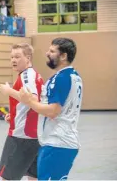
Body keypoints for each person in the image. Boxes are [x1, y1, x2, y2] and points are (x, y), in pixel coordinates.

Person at [19, 38, 83, 180]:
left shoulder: (61, 78)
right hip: (64, 142)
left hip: (56, 142)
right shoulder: (74, 76)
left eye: (52, 51)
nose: (47, 53)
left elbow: (53, 111)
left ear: (63, 56)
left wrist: (29, 101)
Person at [0, 43, 44, 180]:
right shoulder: (34, 75)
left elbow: (33, 99)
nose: (13, 60)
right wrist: (15, 116)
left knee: (8, 178)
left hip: (21, 137)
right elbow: (32, 104)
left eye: (17, 56)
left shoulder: (26, 76)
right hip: (35, 136)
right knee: (33, 177)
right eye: (11, 57)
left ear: (28, 58)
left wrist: (9, 91)